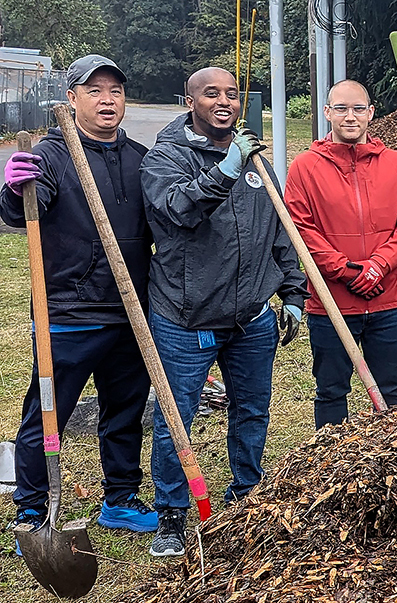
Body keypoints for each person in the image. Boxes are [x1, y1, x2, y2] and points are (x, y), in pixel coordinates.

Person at [140, 67, 308, 556]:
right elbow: (179, 211)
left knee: (252, 411)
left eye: (233, 94)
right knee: (177, 416)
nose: (225, 101)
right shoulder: (165, 158)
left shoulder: (256, 160)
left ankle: (246, 495)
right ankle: (171, 512)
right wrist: (226, 169)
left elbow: (281, 231)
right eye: (211, 93)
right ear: (189, 100)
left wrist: (293, 295)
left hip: (251, 317)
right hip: (185, 317)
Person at [1, 55, 157, 554]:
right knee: (48, 413)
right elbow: (27, 205)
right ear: (71, 98)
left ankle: (121, 499)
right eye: (94, 91)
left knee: (126, 410)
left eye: (115, 90)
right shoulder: (52, 155)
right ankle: (32, 507)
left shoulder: (139, 156)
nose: (107, 99)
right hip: (68, 310)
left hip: (130, 308)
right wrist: (13, 188)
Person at [285, 80, 397, 429]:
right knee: (331, 391)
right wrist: (346, 271)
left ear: (371, 113)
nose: (351, 116)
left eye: (358, 109)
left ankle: (395, 464)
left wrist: (378, 266)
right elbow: (302, 229)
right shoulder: (304, 167)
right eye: (342, 109)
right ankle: (329, 463)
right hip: (331, 303)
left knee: (392, 392)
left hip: (389, 301)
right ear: (327, 112)